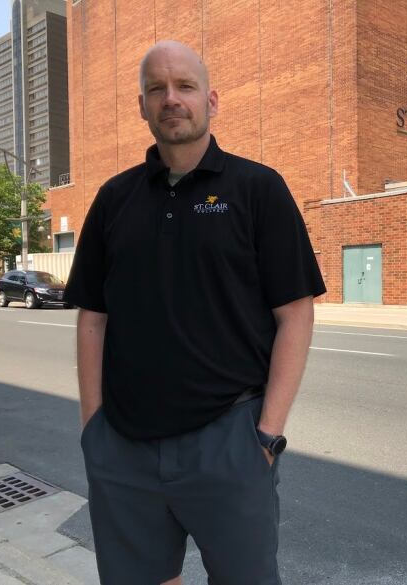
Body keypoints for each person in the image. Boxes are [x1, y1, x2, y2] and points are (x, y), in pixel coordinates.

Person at [65, 40, 326, 585]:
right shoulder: (114, 199)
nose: (171, 99)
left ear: (212, 101)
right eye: (156, 89)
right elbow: (93, 317)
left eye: (184, 86)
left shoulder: (258, 189)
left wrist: (266, 437)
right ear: (142, 107)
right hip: (124, 445)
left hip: (229, 438)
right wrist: (93, 429)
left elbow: (295, 315)